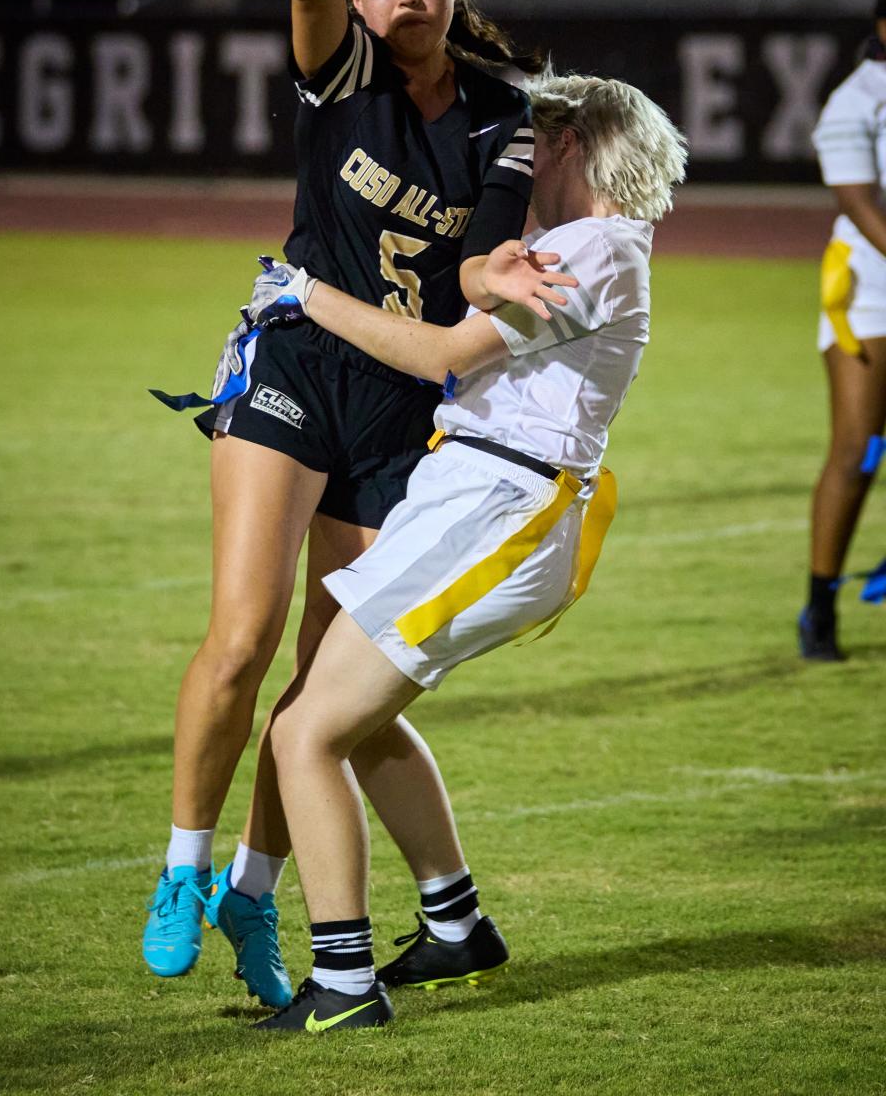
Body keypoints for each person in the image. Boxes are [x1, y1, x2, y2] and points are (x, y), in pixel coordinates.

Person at [141, 0, 541, 1003]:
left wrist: (521, 284)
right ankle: (182, 868)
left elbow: (478, 268)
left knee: (325, 681)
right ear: (358, 2)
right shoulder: (343, 68)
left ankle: (257, 900)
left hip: (408, 402)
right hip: (298, 358)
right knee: (242, 637)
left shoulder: (501, 116)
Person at [240, 70, 687, 1032]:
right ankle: (454, 925)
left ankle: (346, 983)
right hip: (476, 495)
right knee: (352, 717)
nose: (510, 164)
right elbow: (478, 286)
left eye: (528, 145)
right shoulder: (590, 244)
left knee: (304, 733)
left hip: (497, 505)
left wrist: (307, 294)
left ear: (565, 144)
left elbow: (444, 355)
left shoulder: (593, 247)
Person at [798, 0, 886, 661]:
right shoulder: (856, 102)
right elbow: (860, 205)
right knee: (858, 449)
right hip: (871, 293)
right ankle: (820, 603)